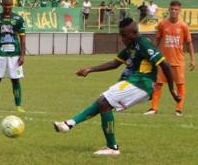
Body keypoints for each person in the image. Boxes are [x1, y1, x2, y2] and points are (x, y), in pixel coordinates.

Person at [54, 18, 180, 156]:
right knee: (103, 102)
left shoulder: (144, 44)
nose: (122, 38)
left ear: (133, 32)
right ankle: (69, 124)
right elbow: (115, 64)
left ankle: (112, 148)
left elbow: (165, 65)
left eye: (124, 35)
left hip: (141, 84)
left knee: (104, 102)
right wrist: (89, 69)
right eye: (121, 35)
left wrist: (171, 89)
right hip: (135, 82)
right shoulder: (131, 47)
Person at [144, 0, 195, 116]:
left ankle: (178, 109)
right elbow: (157, 39)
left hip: (178, 61)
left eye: (176, 9)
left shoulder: (183, 26)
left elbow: (189, 43)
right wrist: (150, 53)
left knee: (180, 84)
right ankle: (153, 108)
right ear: (169, 10)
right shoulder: (162, 24)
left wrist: (192, 59)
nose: (173, 11)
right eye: (172, 9)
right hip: (163, 61)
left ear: (180, 11)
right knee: (158, 84)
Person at [0, 0, 26, 112]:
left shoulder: (18, 19)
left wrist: (22, 55)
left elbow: (23, 38)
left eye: (9, 5)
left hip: (15, 55)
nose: (7, 7)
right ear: (2, 4)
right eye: (5, 5)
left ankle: (18, 106)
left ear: (12, 5)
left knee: (15, 80)